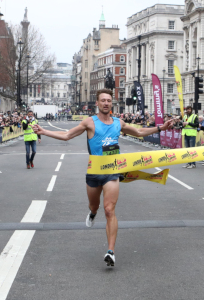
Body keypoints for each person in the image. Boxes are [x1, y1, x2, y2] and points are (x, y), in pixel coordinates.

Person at [32, 89, 175, 267]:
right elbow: (67, 135)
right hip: (94, 172)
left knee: (109, 210)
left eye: (109, 100)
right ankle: (92, 213)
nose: (106, 103)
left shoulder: (118, 122)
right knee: (95, 205)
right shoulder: (89, 122)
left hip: (112, 172)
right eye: (103, 101)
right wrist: (44, 131)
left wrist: (161, 128)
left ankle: (111, 251)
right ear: (97, 103)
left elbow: (139, 132)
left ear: (111, 103)